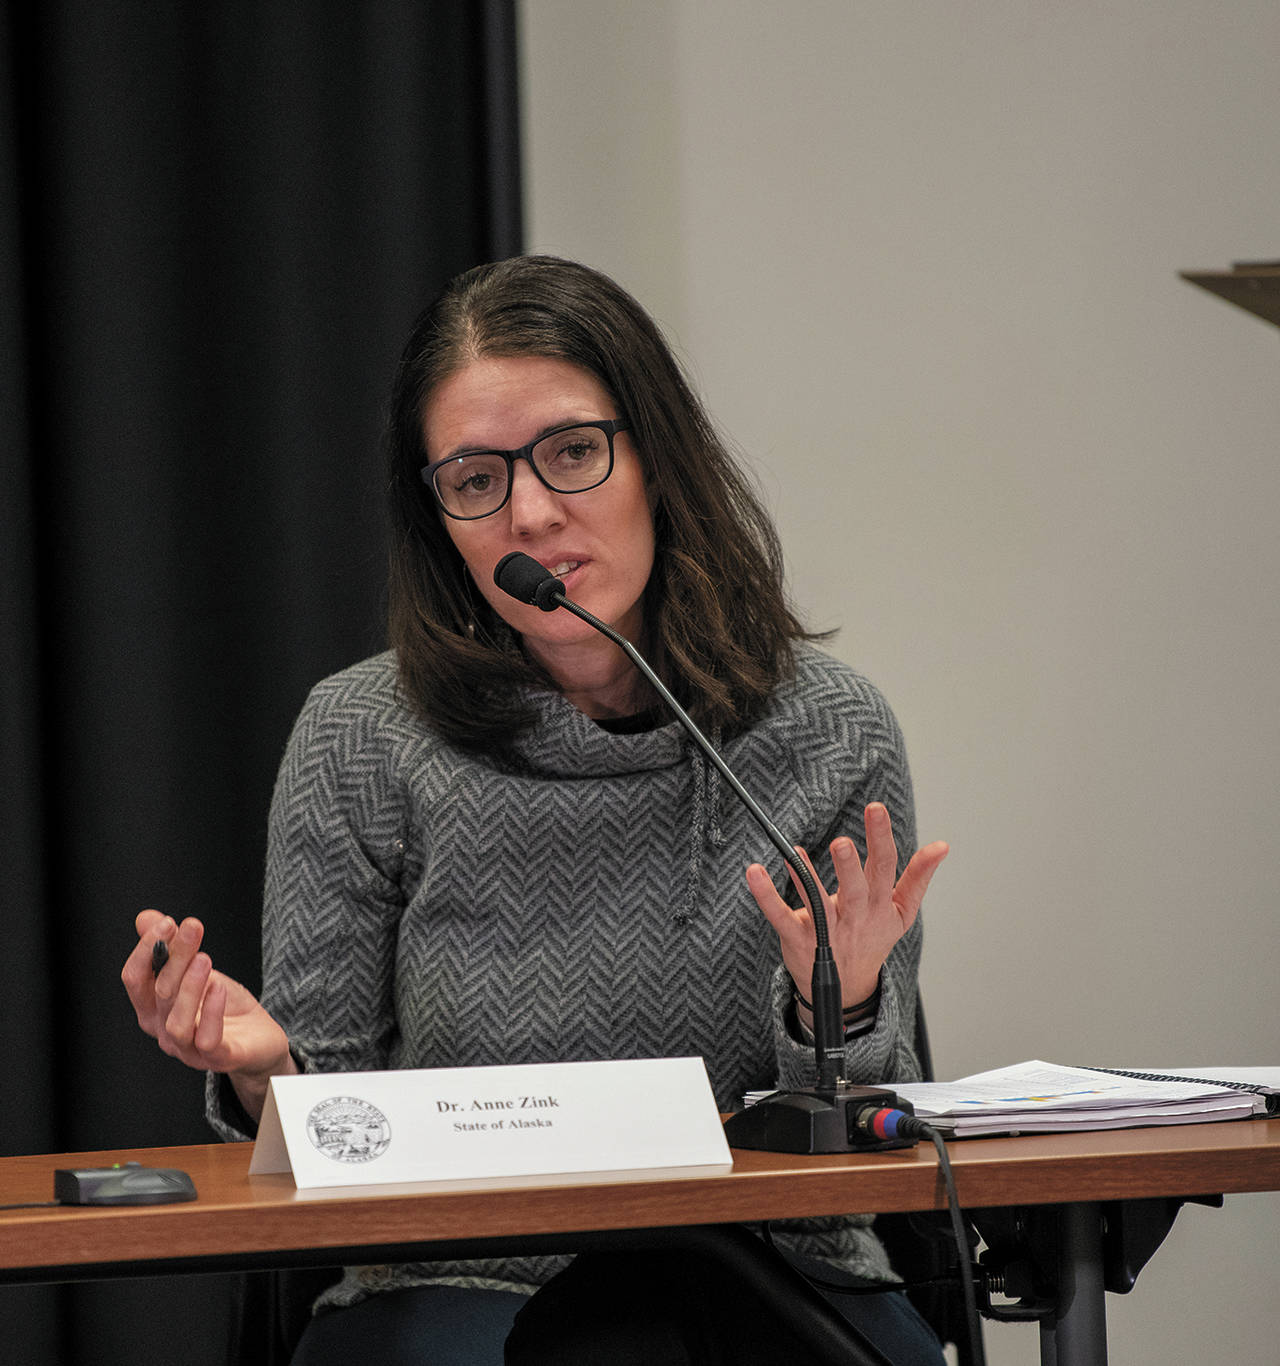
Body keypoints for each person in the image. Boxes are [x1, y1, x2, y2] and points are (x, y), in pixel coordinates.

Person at [120, 255, 949, 1365]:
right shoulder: (362, 735)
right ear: (438, 518)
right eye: (473, 479)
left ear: (656, 455)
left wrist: (826, 1015)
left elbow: (846, 1137)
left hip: (772, 1271)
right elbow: (331, 1150)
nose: (530, 513)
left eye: (570, 453)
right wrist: (264, 1071)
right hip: (457, 1275)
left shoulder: (825, 727)